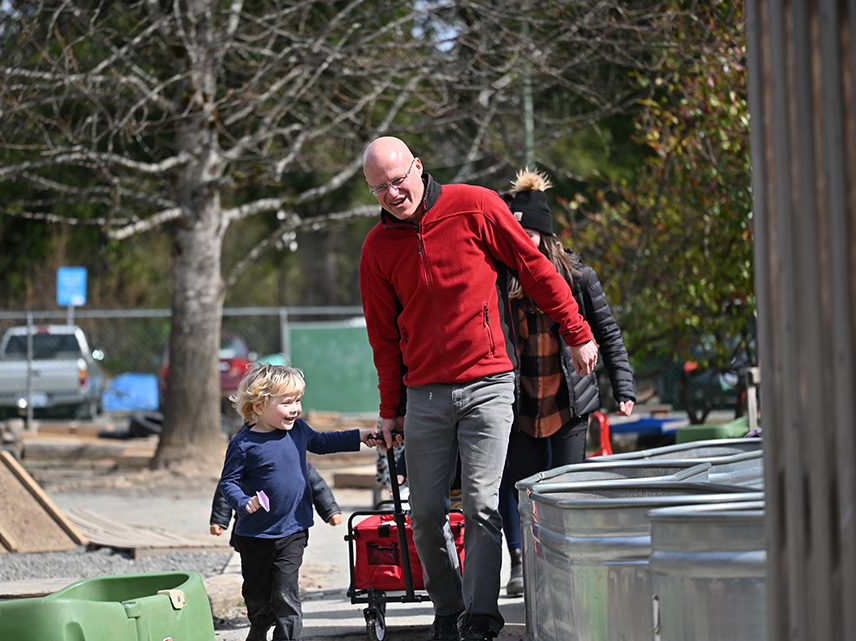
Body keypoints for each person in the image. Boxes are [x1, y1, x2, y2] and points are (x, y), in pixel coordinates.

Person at [359, 136, 598, 641]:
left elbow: (537, 270)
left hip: (489, 382)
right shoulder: (377, 249)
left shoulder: (476, 206)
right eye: (380, 188)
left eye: (399, 180)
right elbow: (383, 336)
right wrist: (390, 408)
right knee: (425, 512)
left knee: (482, 505)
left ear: (418, 168)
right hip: (424, 392)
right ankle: (448, 609)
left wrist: (577, 331)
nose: (393, 193)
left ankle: (481, 617)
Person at [217, 363, 378, 641]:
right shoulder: (243, 445)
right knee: (256, 593)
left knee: (285, 590)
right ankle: (259, 624)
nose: (295, 408)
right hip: (254, 535)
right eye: (286, 402)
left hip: (292, 531)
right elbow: (228, 483)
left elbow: (325, 442)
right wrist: (243, 502)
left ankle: (287, 634)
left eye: (298, 401)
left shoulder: (298, 431)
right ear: (258, 407)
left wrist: (359, 436)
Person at [502, 167, 636, 483]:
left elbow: (608, 333)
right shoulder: (503, 281)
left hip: (568, 403)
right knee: (528, 489)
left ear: (545, 236)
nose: (522, 243)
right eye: (515, 235)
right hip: (521, 407)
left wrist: (624, 387)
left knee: (567, 485)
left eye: (529, 236)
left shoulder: (578, 278)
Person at [210, 460, 343, 543]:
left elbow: (316, 484)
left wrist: (330, 510)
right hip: (251, 526)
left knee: (285, 567)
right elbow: (226, 491)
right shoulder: (243, 460)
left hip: (288, 524)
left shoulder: (295, 458)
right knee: (255, 569)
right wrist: (219, 520)